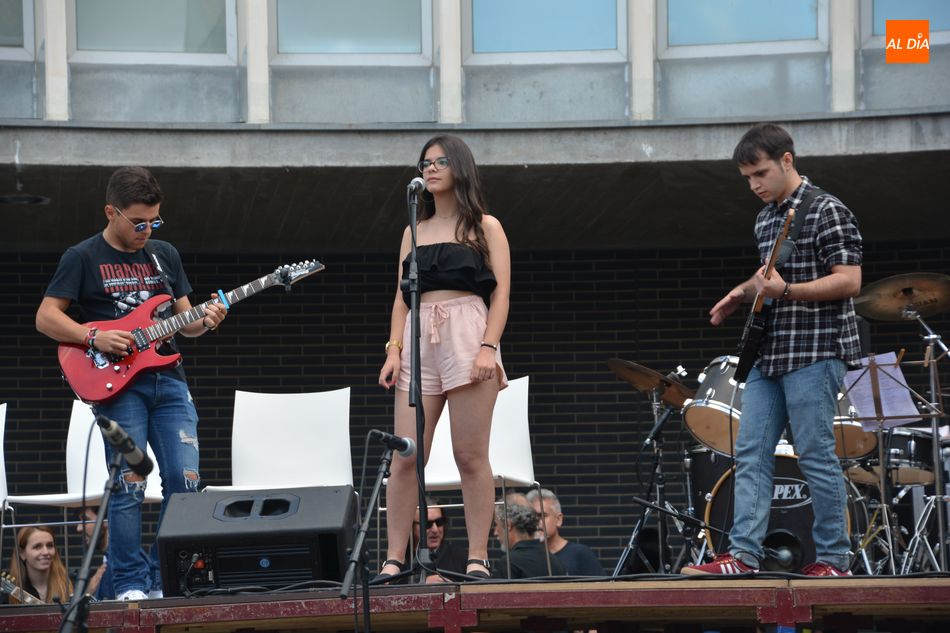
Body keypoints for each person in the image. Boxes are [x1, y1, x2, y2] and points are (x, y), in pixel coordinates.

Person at [35, 166, 227, 600]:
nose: (147, 230)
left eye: (154, 222)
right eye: (138, 222)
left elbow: (186, 323)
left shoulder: (164, 255)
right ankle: (129, 584)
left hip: (170, 382)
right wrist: (93, 336)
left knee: (186, 482)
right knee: (129, 485)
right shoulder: (82, 257)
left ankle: (165, 579)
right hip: (118, 387)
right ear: (111, 212)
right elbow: (46, 317)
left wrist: (208, 319)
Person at [682, 123, 862, 577]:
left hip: (816, 350)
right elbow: (768, 275)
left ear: (787, 160)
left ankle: (835, 560)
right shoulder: (766, 219)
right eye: (747, 178)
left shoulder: (827, 209)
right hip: (769, 351)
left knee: (815, 454)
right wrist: (741, 292)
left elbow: (849, 280)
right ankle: (743, 556)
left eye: (760, 173)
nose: (754, 185)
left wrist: (786, 291)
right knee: (750, 451)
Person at [377, 135, 511, 581]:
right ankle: (394, 559)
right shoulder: (413, 230)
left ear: (460, 168)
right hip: (418, 338)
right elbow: (401, 298)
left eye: (440, 162)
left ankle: (478, 556)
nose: (430, 169)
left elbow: (501, 295)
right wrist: (393, 349)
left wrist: (488, 347)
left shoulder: (485, 226)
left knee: (469, 455)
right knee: (406, 455)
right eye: (425, 163)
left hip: (468, 333)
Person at [526, 488, 604, 576]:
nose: (536, 521)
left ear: (558, 519)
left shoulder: (580, 554)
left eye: (542, 516)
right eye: (531, 516)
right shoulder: (523, 557)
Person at [493, 498, 566, 579]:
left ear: (508, 525)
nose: (495, 532)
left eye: (497, 524)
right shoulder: (555, 561)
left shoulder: (508, 564)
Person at [2, 526, 73, 604]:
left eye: (50, 545)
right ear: (22, 553)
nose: (46, 552)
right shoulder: (9, 595)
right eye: (37, 547)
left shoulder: (72, 584)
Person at [409, 498, 467, 583]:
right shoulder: (403, 560)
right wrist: (421, 583)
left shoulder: (460, 556)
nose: (435, 530)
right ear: (412, 527)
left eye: (439, 522)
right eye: (427, 524)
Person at [77, 506, 113, 600]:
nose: (79, 528)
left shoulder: (123, 563)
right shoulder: (109, 560)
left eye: (85, 519)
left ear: (106, 522)